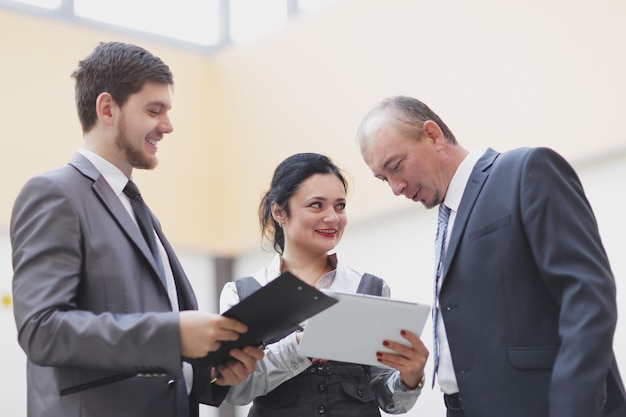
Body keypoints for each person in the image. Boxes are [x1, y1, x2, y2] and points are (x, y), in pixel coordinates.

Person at [10, 41, 264, 417]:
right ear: (107, 108)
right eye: (153, 110)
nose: (168, 125)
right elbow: (41, 329)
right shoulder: (54, 194)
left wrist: (210, 372)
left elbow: (154, 355)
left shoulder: (139, 210)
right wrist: (173, 334)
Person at [354, 95, 626, 417]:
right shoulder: (448, 216)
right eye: (383, 179)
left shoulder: (525, 171)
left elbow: (587, 298)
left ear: (433, 135)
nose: (395, 188)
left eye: (396, 166)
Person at [218, 152, 429, 417]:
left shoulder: (370, 288)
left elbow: (388, 399)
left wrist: (410, 378)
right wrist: (299, 345)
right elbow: (236, 391)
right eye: (317, 205)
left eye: (339, 206)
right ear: (279, 211)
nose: (333, 217)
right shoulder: (243, 293)